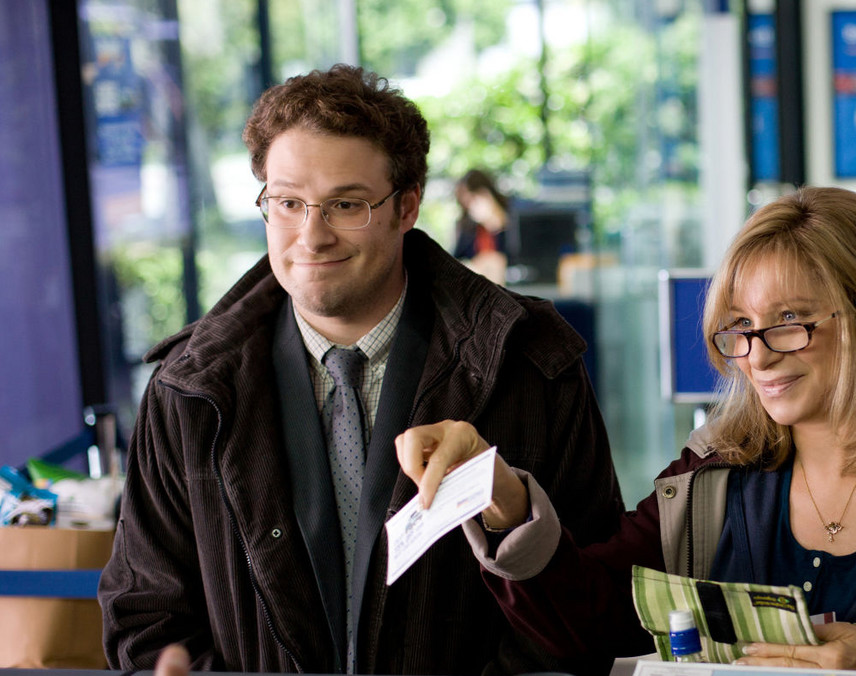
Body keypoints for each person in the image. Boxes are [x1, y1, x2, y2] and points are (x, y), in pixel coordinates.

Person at [400, 187, 856, 674]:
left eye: (792, 321)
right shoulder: (708, 483)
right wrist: (505, 500)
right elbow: (587, 627)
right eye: (740, 327)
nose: (759, 355)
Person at [98, 64, 624, 675]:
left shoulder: (530, 364)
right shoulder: (188, 390)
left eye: (345, 204)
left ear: (407, 206)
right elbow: (144, 616)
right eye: (288, 203)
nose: (311, 236)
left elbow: (588, 606)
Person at [452, 168, 510, 285]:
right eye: (466, 204)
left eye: (474, 199)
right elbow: (455, 262)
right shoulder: (468, 230)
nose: (471, 208)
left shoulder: (514, 220)